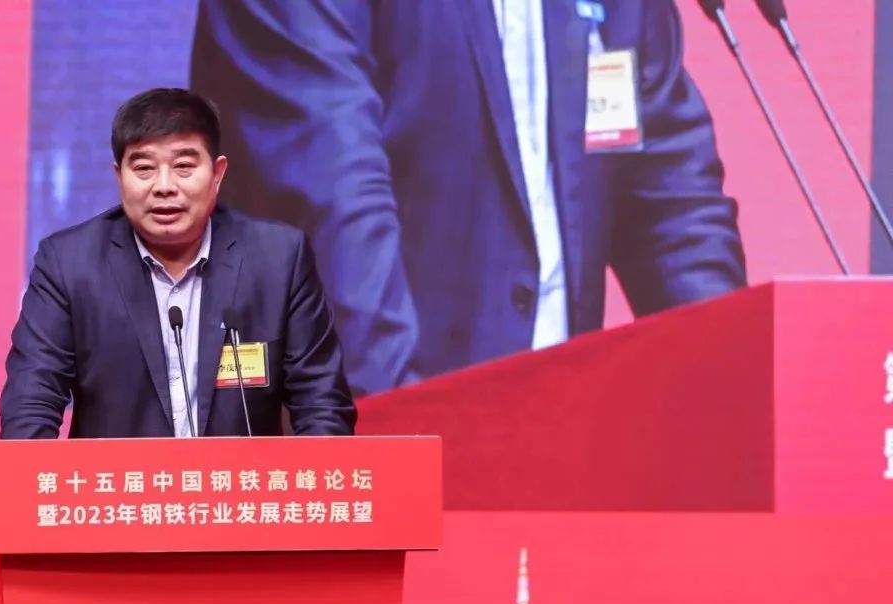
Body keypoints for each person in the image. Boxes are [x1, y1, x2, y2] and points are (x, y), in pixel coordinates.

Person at [191, 0, 748, 396]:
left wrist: (729, 388)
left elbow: (673, 204)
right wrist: (426, 456)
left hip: (542, 448)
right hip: (358, 451)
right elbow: (332, 206)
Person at [0, 88, 356, 439]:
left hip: (238, 478)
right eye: (144, 168)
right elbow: (30, 404)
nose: (164, 186)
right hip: (117, 479)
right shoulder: (69, 263)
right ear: (119, 176)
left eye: (184, 166)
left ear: (217, 173)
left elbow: (321, 405)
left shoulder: (278, 259)